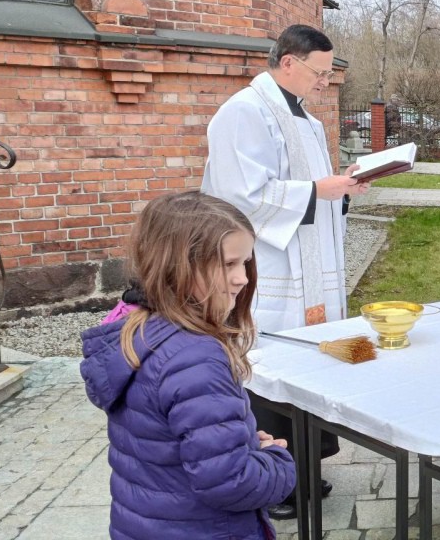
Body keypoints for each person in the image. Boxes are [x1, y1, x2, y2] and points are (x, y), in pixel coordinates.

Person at [201, 24, 358, 518]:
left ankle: (307, 470)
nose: (324, 82)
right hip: (268, 270)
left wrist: (342, 193)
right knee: (270, 370)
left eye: (329, 74)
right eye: (319, 72)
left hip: (311, 268)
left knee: (312, 363)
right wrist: (318, 192)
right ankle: (275, 484)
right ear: (288, 62)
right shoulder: (242, 113)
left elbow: (315, 189)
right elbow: (240, 196)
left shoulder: (308, 121)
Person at [79, 192, 296, 539]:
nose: (241, 278)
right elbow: (229, 482)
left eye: (246, 263)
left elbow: (168, 442)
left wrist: (239, 445)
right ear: (178, 264)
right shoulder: (196, 357)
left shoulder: (138, 332)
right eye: (228, 264)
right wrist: (275, 462)